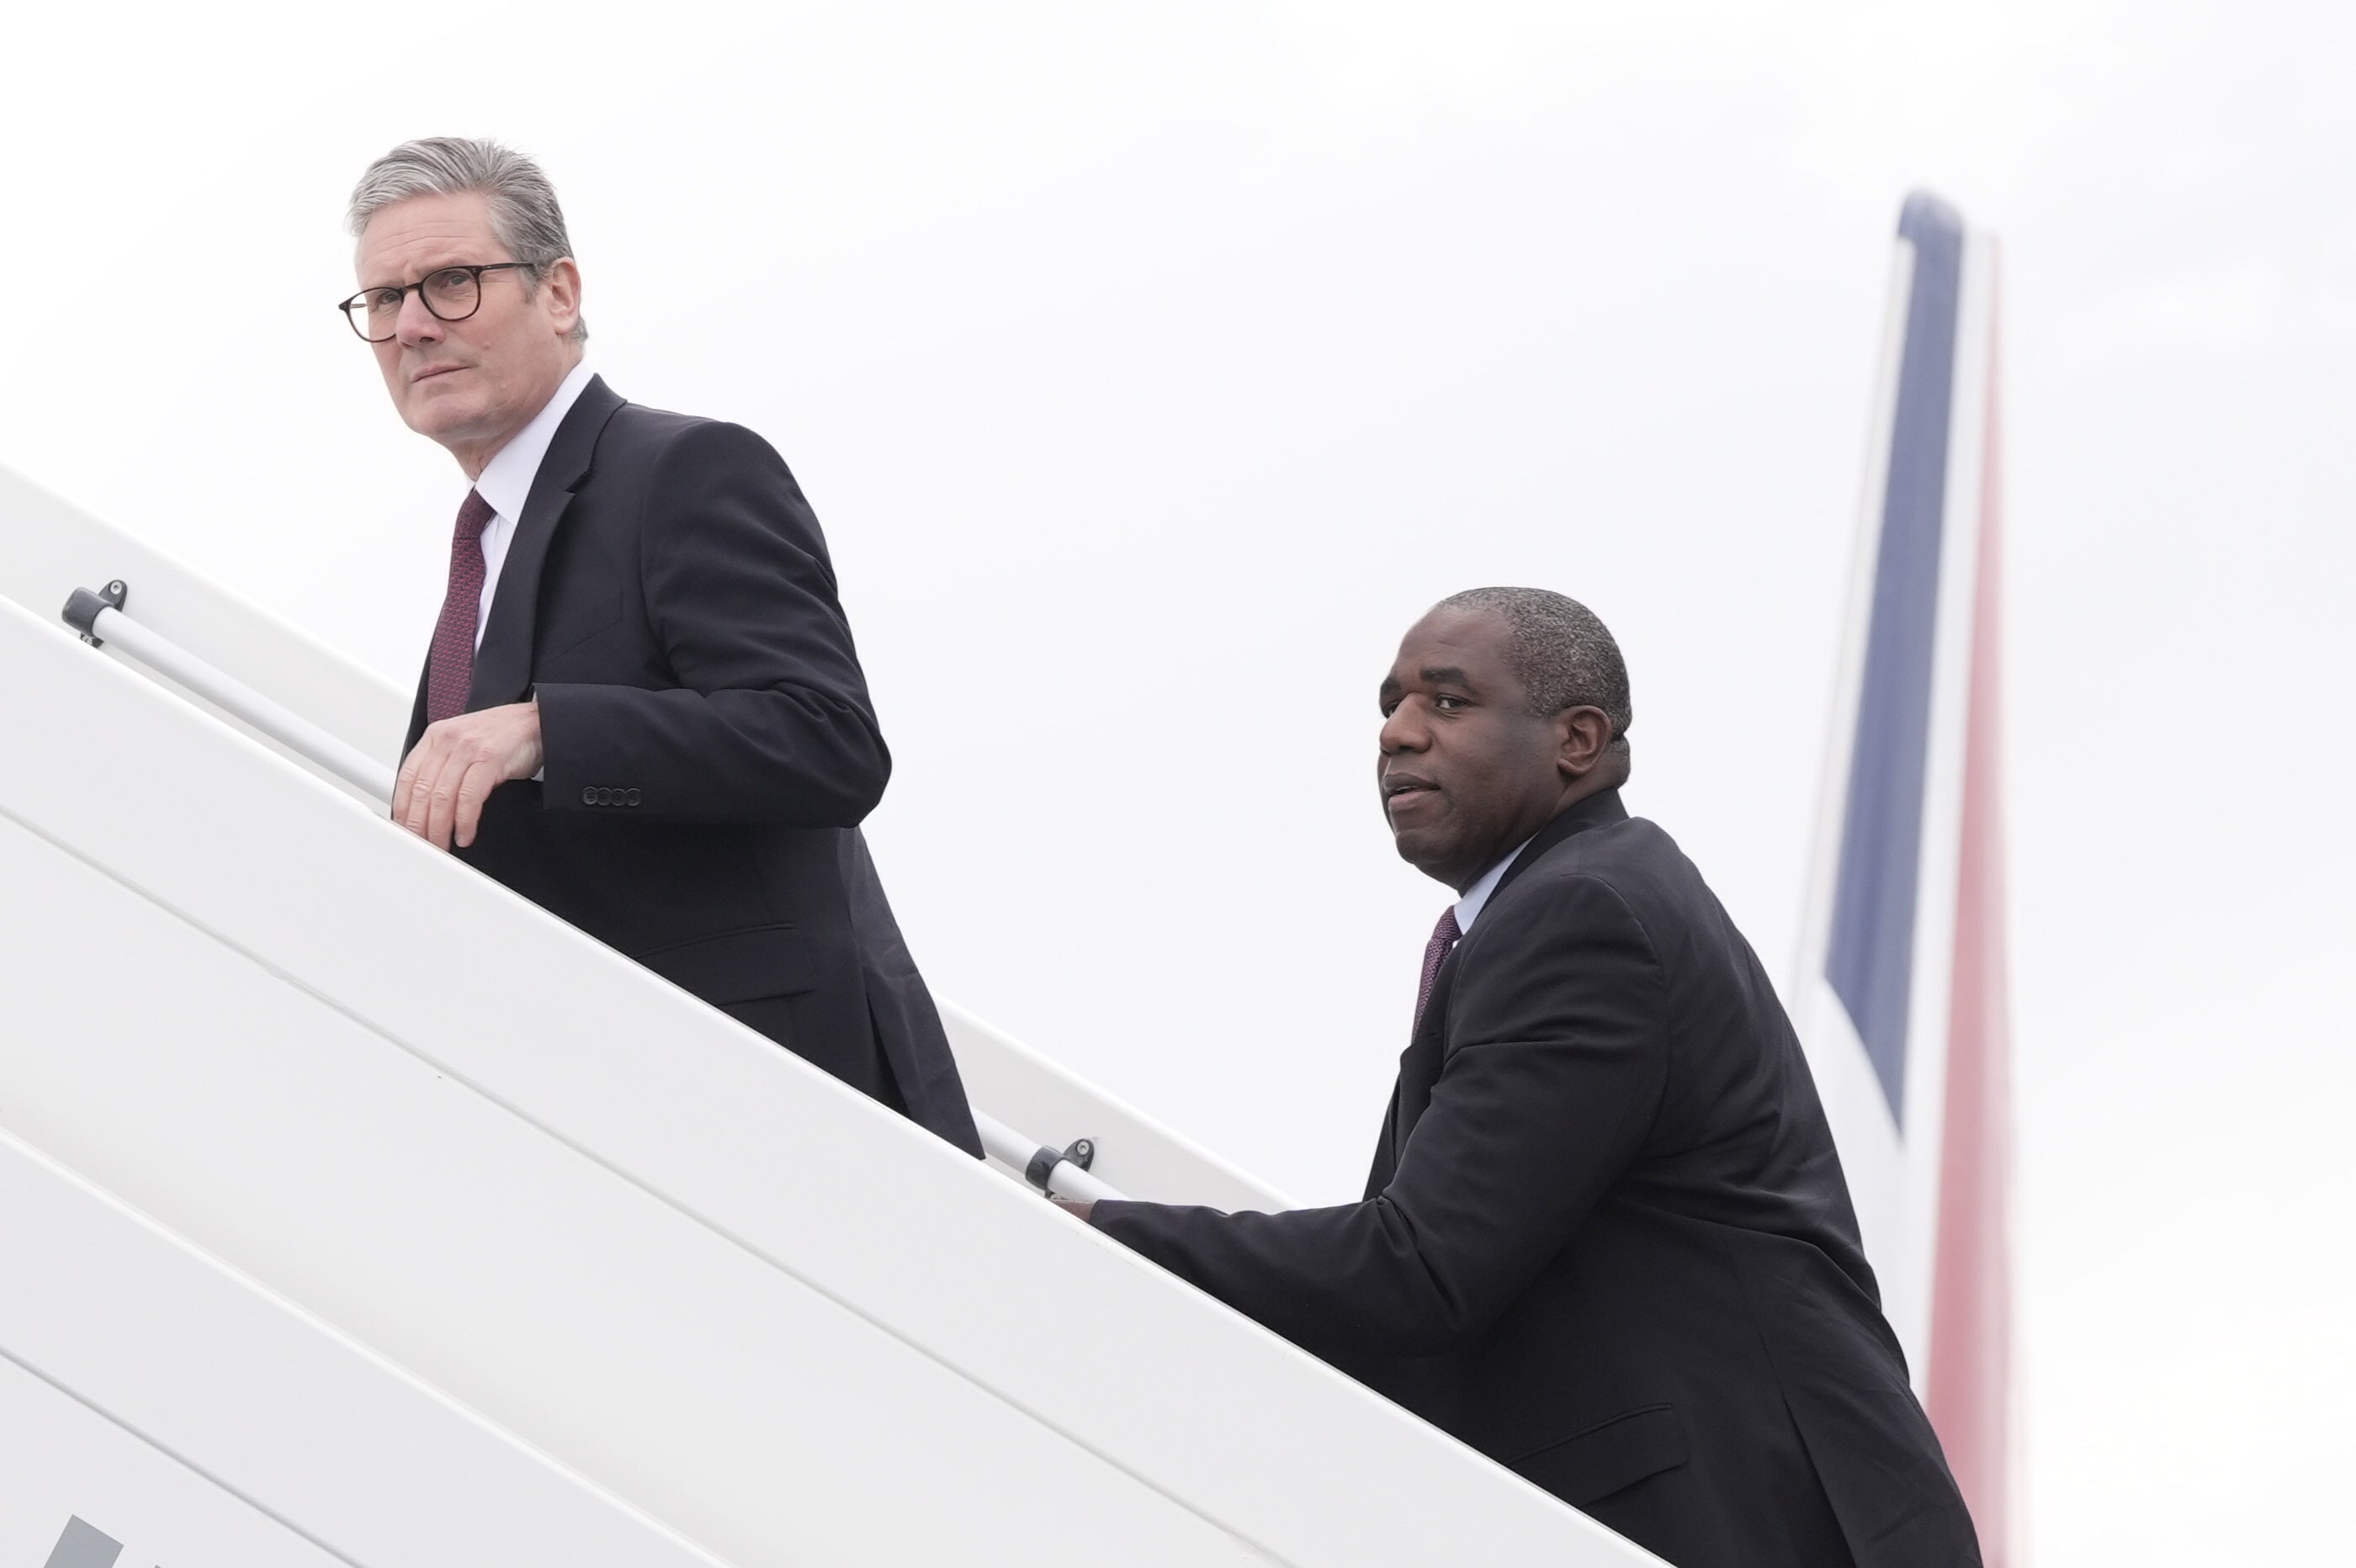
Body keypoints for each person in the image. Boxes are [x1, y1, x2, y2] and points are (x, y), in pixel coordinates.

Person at [1069, 589, 1980, 1567]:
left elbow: (1420, 1269)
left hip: (1750, 1516)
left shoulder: (1581, 916)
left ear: (1577, 740)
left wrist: (1098, 1232)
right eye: (1388, 704)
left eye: (1447, 703)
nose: (1397, 734)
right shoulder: (1564, 903)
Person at [342, 137, 979, 1154]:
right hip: (600, 1115)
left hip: (776, 1116)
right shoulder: (488, 547)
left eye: (451, 283)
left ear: (559, 292)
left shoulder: (682, 469)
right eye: (383, 301)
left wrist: (544, 731)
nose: (413, 326)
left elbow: (826, 741)